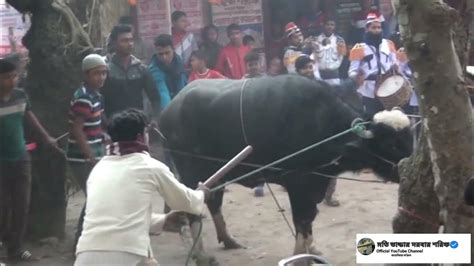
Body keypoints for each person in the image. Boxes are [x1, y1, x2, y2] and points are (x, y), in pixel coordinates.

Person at [74, 109, 211, 266]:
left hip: (85, 256)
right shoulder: (150, 166)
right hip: (127, 255)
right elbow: (185, 201)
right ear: (141, 136)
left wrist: (163, 220)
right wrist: (201, 195)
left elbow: (118, 218)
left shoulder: (98, 169)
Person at [0, 57, 61, 262]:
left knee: (22, 205)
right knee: (3, 208)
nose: (12, 81)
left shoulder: (21, 95)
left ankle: (16, 249)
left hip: (21, 158)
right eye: (6, 77)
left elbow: (30, 117)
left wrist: (46, 138)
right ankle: (5, 243)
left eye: (13, 76)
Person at [67, 54, 109, 250]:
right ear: (86, 75)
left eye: (103, 73)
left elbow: (94, 125)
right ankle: (80, 243)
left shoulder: (95, 95)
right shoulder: (84, 97)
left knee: (97, 198)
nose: (101, 77)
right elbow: (76, 129)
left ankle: (89, 241)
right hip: (82, 157)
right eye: (96, 74)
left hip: (94, 152)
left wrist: (104, 136)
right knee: (95, 198)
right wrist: (89, 154)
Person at [101, 24, 160, 120]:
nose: (130, 44)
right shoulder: (106, 70)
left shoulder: (141, 69)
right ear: (114, 43)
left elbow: (155, 98)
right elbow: (98, 98)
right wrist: (104, 120)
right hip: (113, 124)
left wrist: (154, 119)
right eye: (124, 41)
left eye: (131, 40)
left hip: (137, 122)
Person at [348, 13, 398, 118]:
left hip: (387, 85)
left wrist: (396, 67)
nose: (377, 30)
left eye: (379, 27)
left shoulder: (389, 44)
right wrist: (356, 76)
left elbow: (395, 62)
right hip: (368, 88)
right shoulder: (358, 48)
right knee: (372, 117)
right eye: (373, 27)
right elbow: (352, 71)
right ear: (367, 29)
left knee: (389, 117)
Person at [149, 34, 188, 110]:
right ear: (156, 52)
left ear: (173, 50)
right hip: (163, 108)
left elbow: (183, 87)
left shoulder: (179, 63)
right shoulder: (154, 69)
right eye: (160, 54)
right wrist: (170, 113)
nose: (164, 57)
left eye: (167, 53)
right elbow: (162, 92)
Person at [312, 18, 347, 85]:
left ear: (335, 26)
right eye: (327, 24)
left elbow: (341, 57)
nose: (329, 27)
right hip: (319, 75)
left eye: (332, 25)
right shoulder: (316, 40)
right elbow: (314, 57)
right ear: (323, 26)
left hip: (334, 75)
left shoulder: (339, 40)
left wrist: (333, 67)